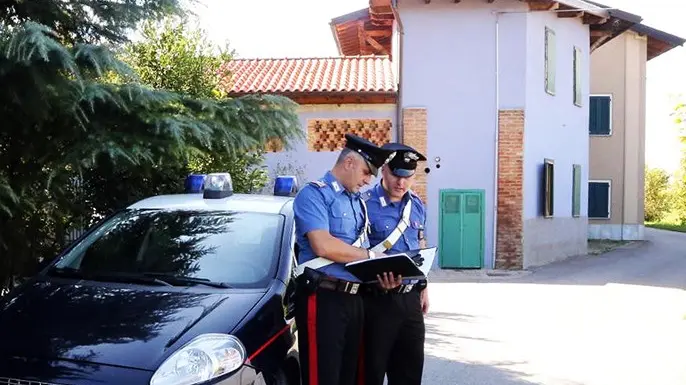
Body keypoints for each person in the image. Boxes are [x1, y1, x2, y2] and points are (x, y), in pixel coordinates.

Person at [292, 133, 402, 385]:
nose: (367, 180)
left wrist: (381, 272)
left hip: (355, 298)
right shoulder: (315, 195)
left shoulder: (358, 202)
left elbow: (357, 253)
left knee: (349, 377)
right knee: (323, 376)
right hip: (323, 297)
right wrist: (373, 256)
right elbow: (323, 245)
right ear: (349, 163)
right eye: (365, 172)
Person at [361, 142, 430, 385]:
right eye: (396, 175)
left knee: (410, 374)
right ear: (384, 171)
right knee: (372, 372)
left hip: (410, 300)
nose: (401, 183)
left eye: (408, 176)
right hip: (376, 300)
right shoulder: (364, 204)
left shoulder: (417, 204)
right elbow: (355, 250)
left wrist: (424, 286)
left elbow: (420, 243)